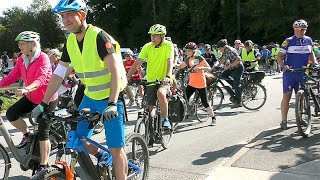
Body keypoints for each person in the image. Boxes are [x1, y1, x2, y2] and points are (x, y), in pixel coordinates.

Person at [32, 0, 128, 179]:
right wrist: (44, 103)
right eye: (62, 16)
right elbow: (58, 74)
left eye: (69, 14)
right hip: (90, 97)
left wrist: (113, 103)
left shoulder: (99, 36)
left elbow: (115, 71)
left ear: (82, 15)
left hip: (111, 99)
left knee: (116, 149)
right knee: (77, 139)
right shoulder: (70, 41)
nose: (65, 20)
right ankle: (100, 155)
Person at [0, 31, 58, 176]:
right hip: (31, 97)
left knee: (43, 132)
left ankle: (43, 166)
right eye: (19, 44)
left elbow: (42, 79)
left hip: (46, 99)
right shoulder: (22, 59)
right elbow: (12, 76)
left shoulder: (43, 58)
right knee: (11, 114)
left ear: (32, 44)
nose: (20, 46)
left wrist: (26, 88)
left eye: (22, 43)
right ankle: (27, 134)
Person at [127, 24, 174, 130]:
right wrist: (127, 77)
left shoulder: (168, 45)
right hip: (151, 80)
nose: (152, 37)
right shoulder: (147, 46)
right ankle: (151, 131)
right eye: (151, 35)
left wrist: (167, 76)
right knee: (150, 109)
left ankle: (165, 119)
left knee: (161, 93)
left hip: (164, 80)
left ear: (162, 36)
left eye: (155, 35)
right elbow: (137, 62)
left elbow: (169, 61)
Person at [277, 19, 317, 130]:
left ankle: (300, 118)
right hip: (290, 73)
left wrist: (315, 63)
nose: (300, 31)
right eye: (298, 29)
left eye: (302, 29)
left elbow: (311, 53)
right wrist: (282, 65)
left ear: (306, 30)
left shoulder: (308, 40)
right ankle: (284, 120)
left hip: (302, 72)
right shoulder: (288, 41)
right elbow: (280, 56)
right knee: (287, 96)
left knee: (302, 97)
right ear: (294, 29)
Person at [175, 42, 216, 125]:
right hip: (192, 83)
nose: (187, 52)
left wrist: (200, 68)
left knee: (205, 103)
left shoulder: (199, 58)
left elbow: (209, 68)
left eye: (188, 51)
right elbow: (180, 66)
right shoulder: (188, 59)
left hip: (201, 83)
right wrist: (172, 64)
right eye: (186, 51)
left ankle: (213, 118)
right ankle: (183, 114)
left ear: (193, 51)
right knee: (183, 99)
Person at [215, 39, 244, 108]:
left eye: (220, 48)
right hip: (232, 68)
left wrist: (229, 66)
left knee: (237, 85)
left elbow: (238, 60)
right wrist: (217, 66)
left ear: (224, 47)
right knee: (223, 75)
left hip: (238, 68)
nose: (219, 50)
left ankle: (239, 102)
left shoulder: (231, 50)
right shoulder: (225, 51)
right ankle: (234, 85)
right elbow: (223, 59)